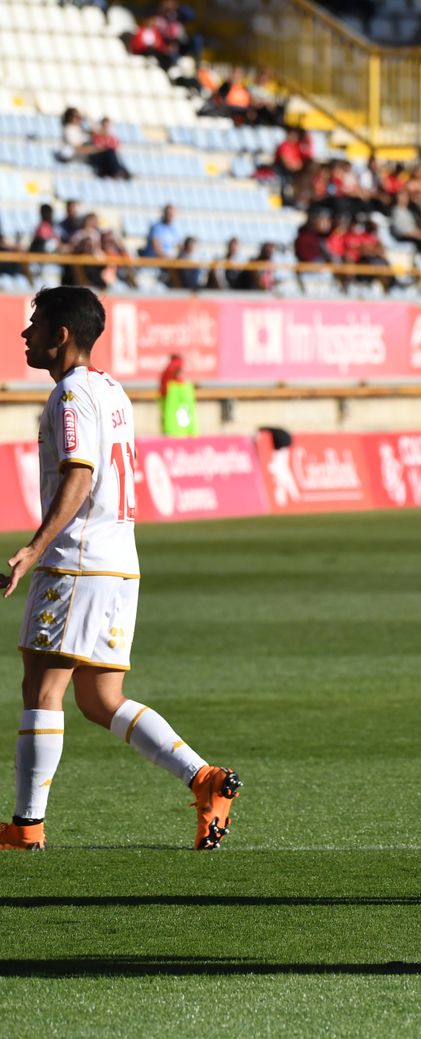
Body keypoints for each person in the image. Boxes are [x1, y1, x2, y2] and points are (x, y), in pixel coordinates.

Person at [0, 287, 240, 852]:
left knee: (42, 689)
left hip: (76, 563)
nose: (24, 334)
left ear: (61, 335)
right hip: (119, 565)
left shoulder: (70, 395)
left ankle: (25, 826)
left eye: (34, 325)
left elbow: (80, 475)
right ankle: (204, 778)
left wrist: (33, 549)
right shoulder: (111, 390)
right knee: (100, 700)